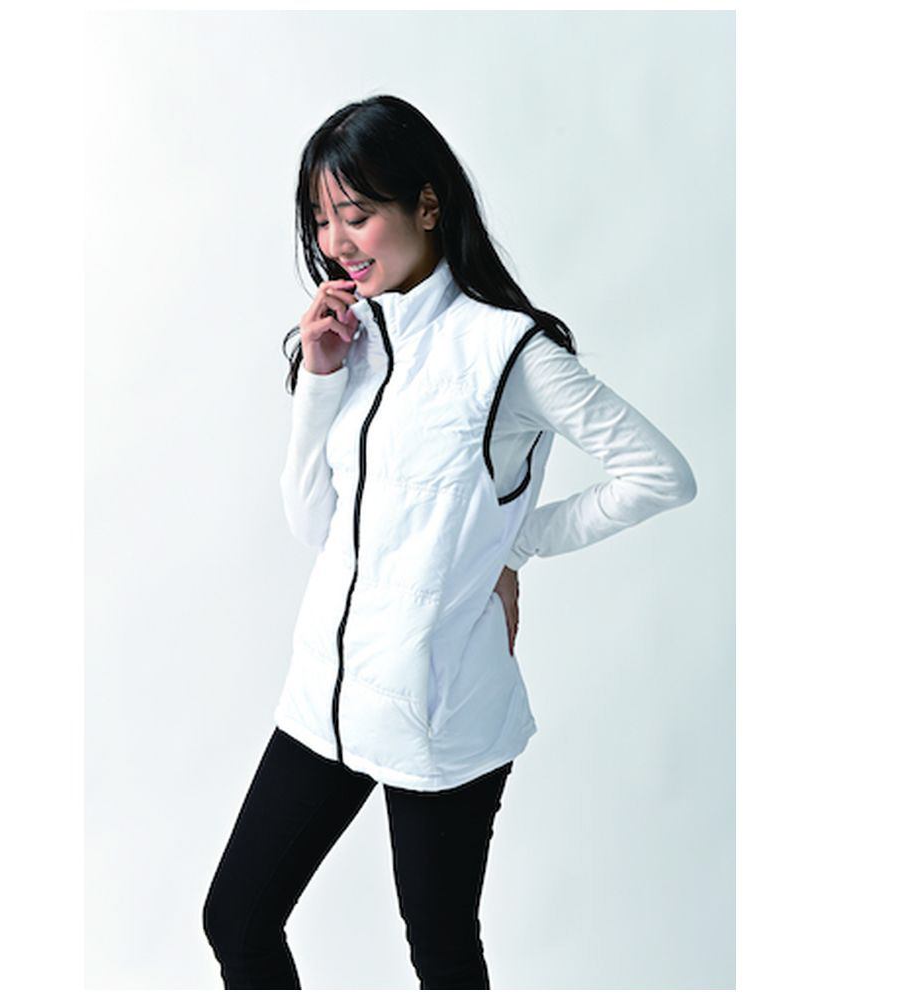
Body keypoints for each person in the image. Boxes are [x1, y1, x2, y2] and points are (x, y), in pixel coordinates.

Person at [202, 94, 697, 990]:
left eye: (356, 215)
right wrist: (319, 378)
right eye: (322, 220)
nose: (336, 242)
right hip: (324, 694)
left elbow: (660, 474)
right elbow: (313, 524)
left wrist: (513, 546)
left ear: (426, 204)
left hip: (441, 712)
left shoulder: (510, 353)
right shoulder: (353, 340)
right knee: (237, 918)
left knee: (439, 949)